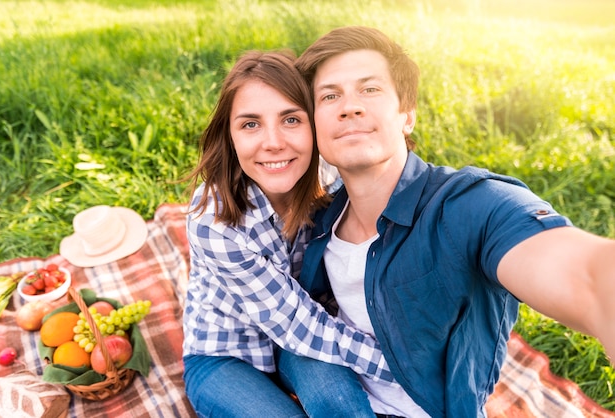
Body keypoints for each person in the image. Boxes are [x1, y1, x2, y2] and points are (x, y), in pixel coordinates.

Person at [278, 26, 615, 418]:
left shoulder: (466, 206)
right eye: (330, 96)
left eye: (370, 90)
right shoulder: (320, 215)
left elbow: (589, 275)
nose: (349, 106)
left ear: (407, 115)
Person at [181, 50, 398, 418]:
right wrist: (395, 368)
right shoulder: (214, 219)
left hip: (299, 339)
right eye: (251, 125)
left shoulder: (331, 178)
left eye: (291, 120)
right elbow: (296, 324)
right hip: (226, 353)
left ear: (315, 123)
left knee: (342, 406)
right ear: (230, 136)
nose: (273, 143)